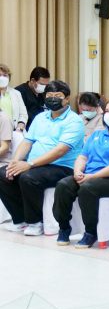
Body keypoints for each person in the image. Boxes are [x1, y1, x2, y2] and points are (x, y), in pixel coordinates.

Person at [52, 98, 109, 248]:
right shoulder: (96, 135)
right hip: (88, 175)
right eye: (107, 111)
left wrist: (92, 176)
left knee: (87, 188)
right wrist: (77, 171)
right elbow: (82, 157)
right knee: (63, 185)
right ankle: (64, 228)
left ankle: (90, 232)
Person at [0, 80, 84, 236]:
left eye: (58, 95)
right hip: (37, 165)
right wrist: (15, 162)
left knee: (28, 177)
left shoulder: (74, 121)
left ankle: (35, 222)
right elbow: (27, 142)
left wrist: (30, 164)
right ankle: (20, 219)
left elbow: (60, 151)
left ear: (67, 99)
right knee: (4, 173)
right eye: (49, 95)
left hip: (62, 167)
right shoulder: (41, 117)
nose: (53, 98)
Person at [0, 64, 28, 135]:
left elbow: (23, 114)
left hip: (15, 131)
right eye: (0, 75)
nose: (2, 78)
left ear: (9, 78)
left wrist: (19, 128)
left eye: (5, 75)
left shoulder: (16, 93)